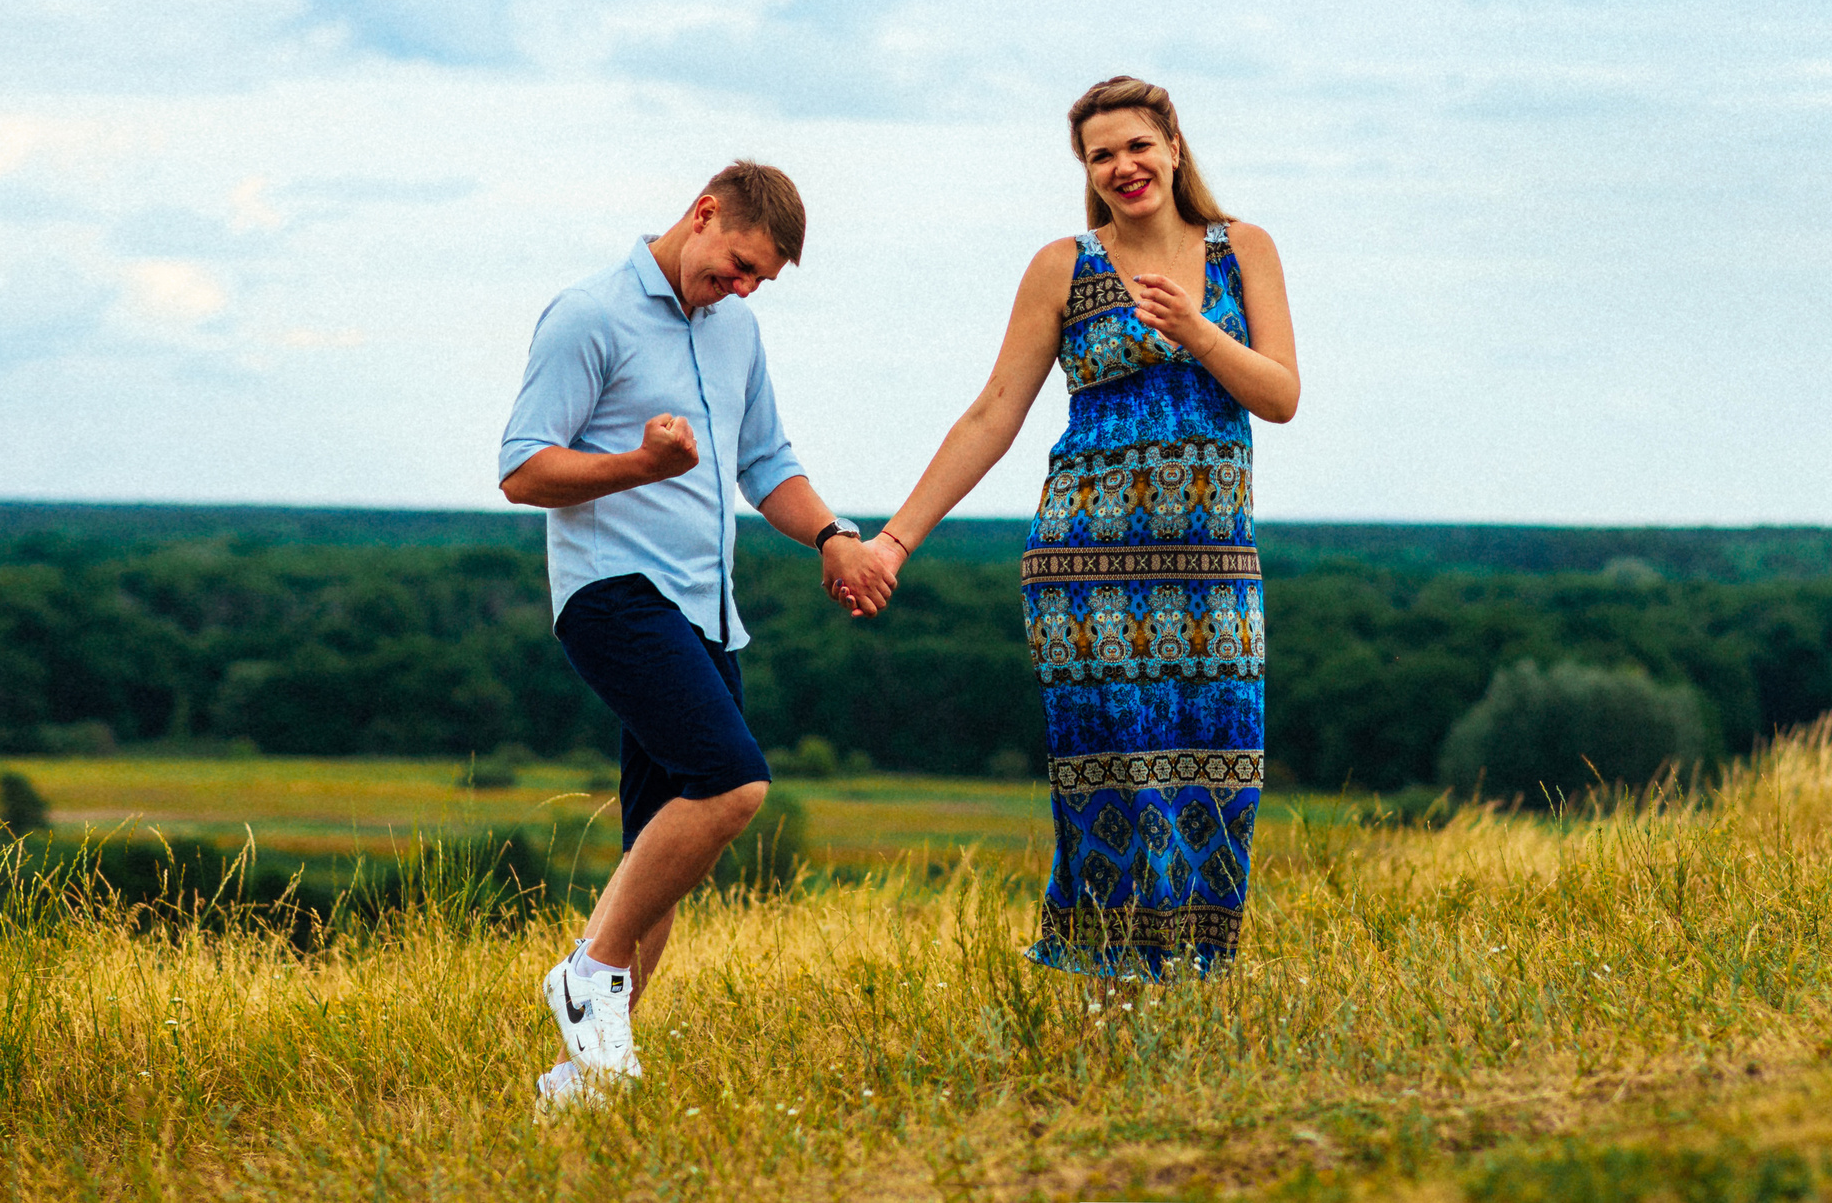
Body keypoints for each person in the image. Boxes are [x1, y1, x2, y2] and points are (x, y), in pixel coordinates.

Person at [861, 77, 1299, 977]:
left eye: (1138, 145)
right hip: (1086, 570)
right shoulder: (1064, 265)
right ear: (1087, 171)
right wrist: (895, 539)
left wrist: (1196, 332)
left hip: (1214, 568)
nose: (1123, 167)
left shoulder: (1241, 249)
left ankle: (1189, 982)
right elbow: (993, 412)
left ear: (1174, 145)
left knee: (1223, 769)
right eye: (1102, 155)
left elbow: (1282, 394)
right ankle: (1110, 992)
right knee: (1120, 779)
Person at [498, 161, 896, 1108]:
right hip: (612, 594)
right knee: (734, 781)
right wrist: (641, 462)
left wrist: (833, 537)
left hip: (705, 608)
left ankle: (582, 1082)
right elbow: (521, 469)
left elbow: (766, 461)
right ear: (703, 213)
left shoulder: (738, 330)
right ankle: (585, 975)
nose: (743, 288)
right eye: (737, 266)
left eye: (761, 279)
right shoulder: (588, 314)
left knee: (657, 864)